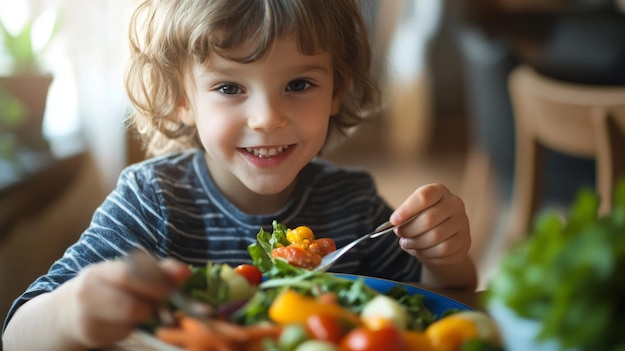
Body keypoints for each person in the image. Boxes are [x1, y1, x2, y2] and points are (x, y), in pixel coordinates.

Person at [2, 0, 477, 349]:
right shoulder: (154, 202)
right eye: (229, 87)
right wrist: (71, 313)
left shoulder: (351, 202)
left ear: (337, 89)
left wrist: (444, 255)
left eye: (299, 84)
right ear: (182, 98)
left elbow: (436, 306)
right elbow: (18, 333)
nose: (266, 118)